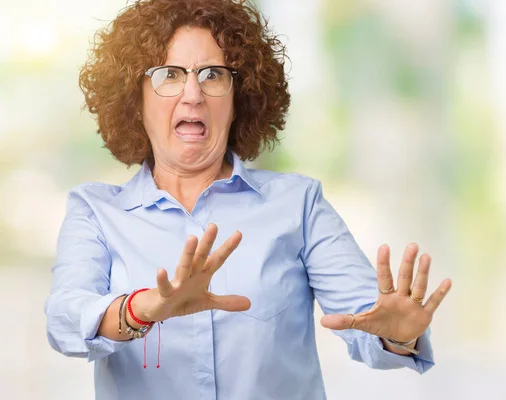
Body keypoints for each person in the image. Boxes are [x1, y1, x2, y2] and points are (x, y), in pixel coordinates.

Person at [44, 0, 452, 399]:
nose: (192, 94)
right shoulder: (96, 212)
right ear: (136, 101)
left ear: (240, 98)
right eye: (169, 75)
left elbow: (368, 321)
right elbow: (65, 323)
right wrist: (140, 310)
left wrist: (400, 337)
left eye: (212, 75)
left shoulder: (299, 205)